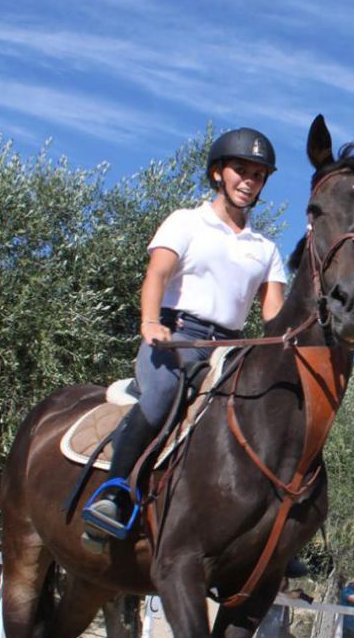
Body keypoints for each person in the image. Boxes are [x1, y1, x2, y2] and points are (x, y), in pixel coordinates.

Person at [82, 127, 289, 544]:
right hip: (176, 337)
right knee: (159, 400)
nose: (248, 180)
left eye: (258, 174)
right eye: (240, 170)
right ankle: (115, 493)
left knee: (269, 411)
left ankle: (270, 518)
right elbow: (156, 275)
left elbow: (273, 315)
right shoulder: (186, 222)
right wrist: (150, 323)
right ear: (217, 173)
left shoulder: (265, 249)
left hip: (229, 347)